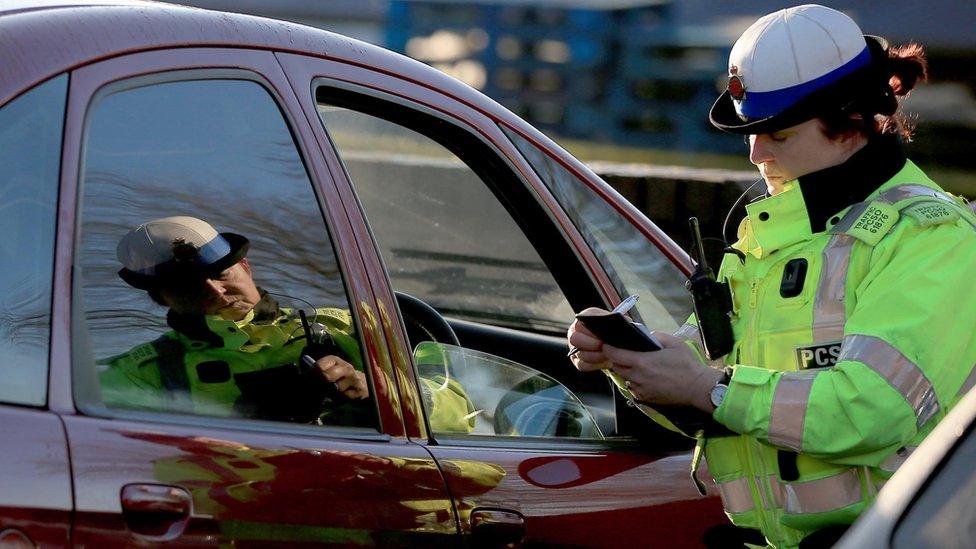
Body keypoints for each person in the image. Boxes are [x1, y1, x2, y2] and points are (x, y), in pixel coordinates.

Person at [568, 5, 976, 548]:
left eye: (778, 133)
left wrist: (700, 385)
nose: (756, 151)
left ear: (850, 119)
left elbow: (869, 412)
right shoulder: (770, 232)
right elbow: (719, 391)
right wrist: (636, 362)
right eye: (750, 132)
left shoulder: (931, 238)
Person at [99, 216, 476, 432]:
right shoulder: (141, 375)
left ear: (245, 267)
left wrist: (375, 391)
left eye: (222, 272)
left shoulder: (348, 327)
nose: (215, 290)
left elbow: (460, 418)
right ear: (162, 298)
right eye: (189, 287)